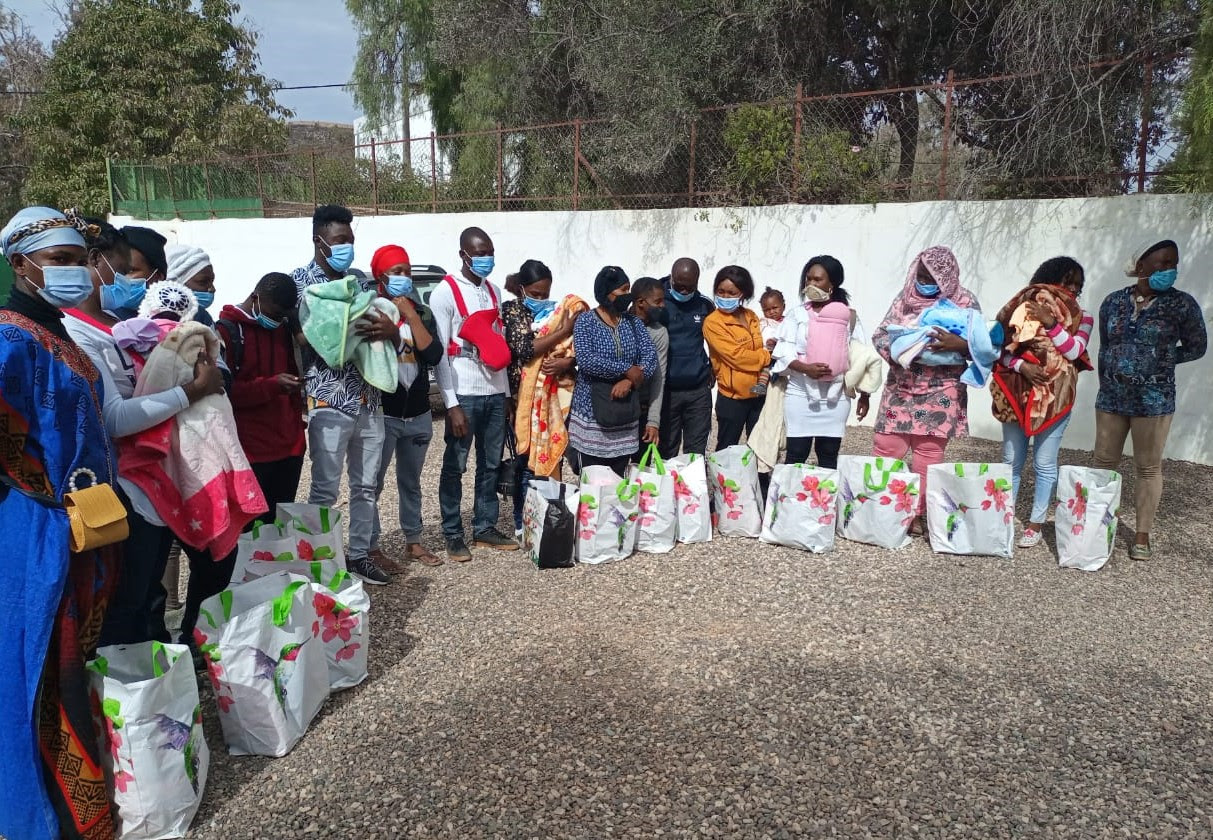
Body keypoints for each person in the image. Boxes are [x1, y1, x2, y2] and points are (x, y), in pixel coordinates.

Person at [0, 207, 122, 840]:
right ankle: (49, 817)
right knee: (43, 666)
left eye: (80, 259)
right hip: (38, 533)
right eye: (61, 260)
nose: (76, 271)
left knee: (72, 665)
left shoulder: (62, 330)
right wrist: (35, 491)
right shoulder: (10, 336)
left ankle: (82, 800)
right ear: (21, 264)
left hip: (85, 526)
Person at [64, 222, 225, 650]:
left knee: (147, 594)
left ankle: (156, 680)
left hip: (153, 483)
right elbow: (114, 418)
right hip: (121, 486)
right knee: (128, 602)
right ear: (96, 264)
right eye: (125, 270)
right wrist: (192, 390)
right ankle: (131, 695)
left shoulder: (125, 325)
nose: (132, 282)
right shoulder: (78, 333)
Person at [293, 204, 399, 585]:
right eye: (340, 241)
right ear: (319, 241)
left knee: (367, 485)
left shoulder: (360, 281)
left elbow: (384, 328)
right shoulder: (301, 283)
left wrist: (391, 331)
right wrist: (336, 330)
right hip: (328, 399)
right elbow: (297, 338)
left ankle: (359, 555)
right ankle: (319, 562)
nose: (347, 249)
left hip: (369, 400)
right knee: (324, 486)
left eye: (350, 242)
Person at [1092, 239, 1207, 560]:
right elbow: (1105, 346)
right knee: (1103, 462)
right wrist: (1107, 380)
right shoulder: (1113, 302)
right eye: (1162, 263)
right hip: (1112, 398)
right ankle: (1099, 525)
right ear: (1141, 266)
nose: (1170, 270)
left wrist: (1162, 359)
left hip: (1154, 401)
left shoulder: (1182, 305)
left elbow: (1198, 346)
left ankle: (1141, 536)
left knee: (1147, 467)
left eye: (1173, 264)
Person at [871, 246, 979, 534]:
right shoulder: (904, 299)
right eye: (921, 275)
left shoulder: (965, 302)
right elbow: (880, 334)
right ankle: (887, 507)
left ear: (946, 276)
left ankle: (917, 513)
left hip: (942, 389)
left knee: (927, 455)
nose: (925, 281)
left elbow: (985, 345)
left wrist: (959, 345)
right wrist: (902, 349)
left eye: (932, 276)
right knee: (887, 446)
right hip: (901, 386)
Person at [429, 226, 517, 561]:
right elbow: (440, 354)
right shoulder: (445, 292)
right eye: (479, 253)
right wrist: (451, 403)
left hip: (494, 392)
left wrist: (506, 393)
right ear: (463, 254)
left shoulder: (495, 291)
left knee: (490, 464)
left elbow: (498, 347)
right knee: (456, 465)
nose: (486, 258)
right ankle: (453, 533)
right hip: (463, 391)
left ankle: (484, 527)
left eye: (489, 252)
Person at [992, 257, 1092, 548]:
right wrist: (1023, 367)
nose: (1071, 290)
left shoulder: (1083, 318)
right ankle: (1004, 516)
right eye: (1066, 282)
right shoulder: (1022, 309)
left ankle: (1035, 523)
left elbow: (1074, 351)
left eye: (1077, 286)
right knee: (1011, 460)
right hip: (1018, 396)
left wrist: (1050, 323)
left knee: (1045, 462)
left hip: (1057, 399)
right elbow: (999, 351)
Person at [367, 244, 444, 569]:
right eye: (397, 272)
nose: (404, 278)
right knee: (371, 483)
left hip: (418, 413)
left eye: (407, 272)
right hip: (383, 414)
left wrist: (410, 316)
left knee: (411, 482)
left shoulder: (421, 312)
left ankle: (414, 541)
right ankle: (370, 547)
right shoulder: (370, 311)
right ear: (380, 276)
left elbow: (433, 355)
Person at [216, 271, 307, 525]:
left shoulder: (282, 328)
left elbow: (290, 370)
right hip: (251, 451)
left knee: (277, 529)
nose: (277, 320)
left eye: (283, 316)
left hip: (288, 448)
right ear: (255, 298)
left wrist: (296, 425)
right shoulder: (228, 331)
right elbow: (226, 393)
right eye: (275, 313)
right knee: (250, 530)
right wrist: (272, 385)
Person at [501, 259, 584, 535]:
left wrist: (566, 362)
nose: (540, 299)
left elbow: (573, 350)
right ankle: (522, 523)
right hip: (521, 400)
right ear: (522, 289)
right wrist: (563, 331)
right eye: (535, 294)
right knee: (525, 463)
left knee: (551, 459)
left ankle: (548, 521)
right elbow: (525, 349)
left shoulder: (558, 311)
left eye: (545, 294)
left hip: (552, 399)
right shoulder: (512, 310)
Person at [772, 256, 869, 469]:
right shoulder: (797, 315)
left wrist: (865, 395)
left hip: (836, 398)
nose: (811, 285)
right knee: (796, 453)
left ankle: (823, 500)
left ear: (832, 284)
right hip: (800, 394)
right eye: (808, 279)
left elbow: (860, 355)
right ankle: (791, 499)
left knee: (828, 454)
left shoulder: (847, 316)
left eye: (818, 280)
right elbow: (783, 350)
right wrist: (804, 368)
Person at [567, 266, 659, 475]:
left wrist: (629, 381)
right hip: (592, 411)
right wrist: (626, 369)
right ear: (606, 292)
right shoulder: (586, 321)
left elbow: (649, 357)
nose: (628, 296)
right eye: (623, 290)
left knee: (618, 480)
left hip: (624, 410)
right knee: (592, 481)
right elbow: (586, 360)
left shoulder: (633, 322)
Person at [702, 265, 771, 450]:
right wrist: (766, 357)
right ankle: (721, 479)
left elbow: (761, 343)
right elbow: (736, 356)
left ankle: (759, 479)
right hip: (732, 398)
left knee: (759, 447)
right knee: (727, 447)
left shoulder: (751, 316)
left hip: (758, 394)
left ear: (743, 293)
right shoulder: (713, 322)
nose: (724, 297)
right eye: (720, 292)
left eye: (731, 293)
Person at [658, 257, 715, 458]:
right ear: (671, 278)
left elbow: (715, 340)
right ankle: (666, 488)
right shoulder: (658, 302)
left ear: (697, 282)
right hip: (666, 391)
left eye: (688, 287)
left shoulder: (705, 305)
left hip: (698, 391)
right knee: (666, 449)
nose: (683, 291)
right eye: (679, 286)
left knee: (696, 451)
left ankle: (692, 488)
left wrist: (712, 368)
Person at [631, 276, 668, 449]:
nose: (662, 306)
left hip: (643, 409)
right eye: (658, 301)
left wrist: (653, 421)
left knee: (640, 469)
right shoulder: (620, 324)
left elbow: (658, 379)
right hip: (617, 408)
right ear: (640, 302)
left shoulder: (659, 332)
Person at [166, 243, 217, 325]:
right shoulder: (158, 326)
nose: (212, 289)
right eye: (203, 282)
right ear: (176, 283)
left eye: (212, 281)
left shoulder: (205, 319)